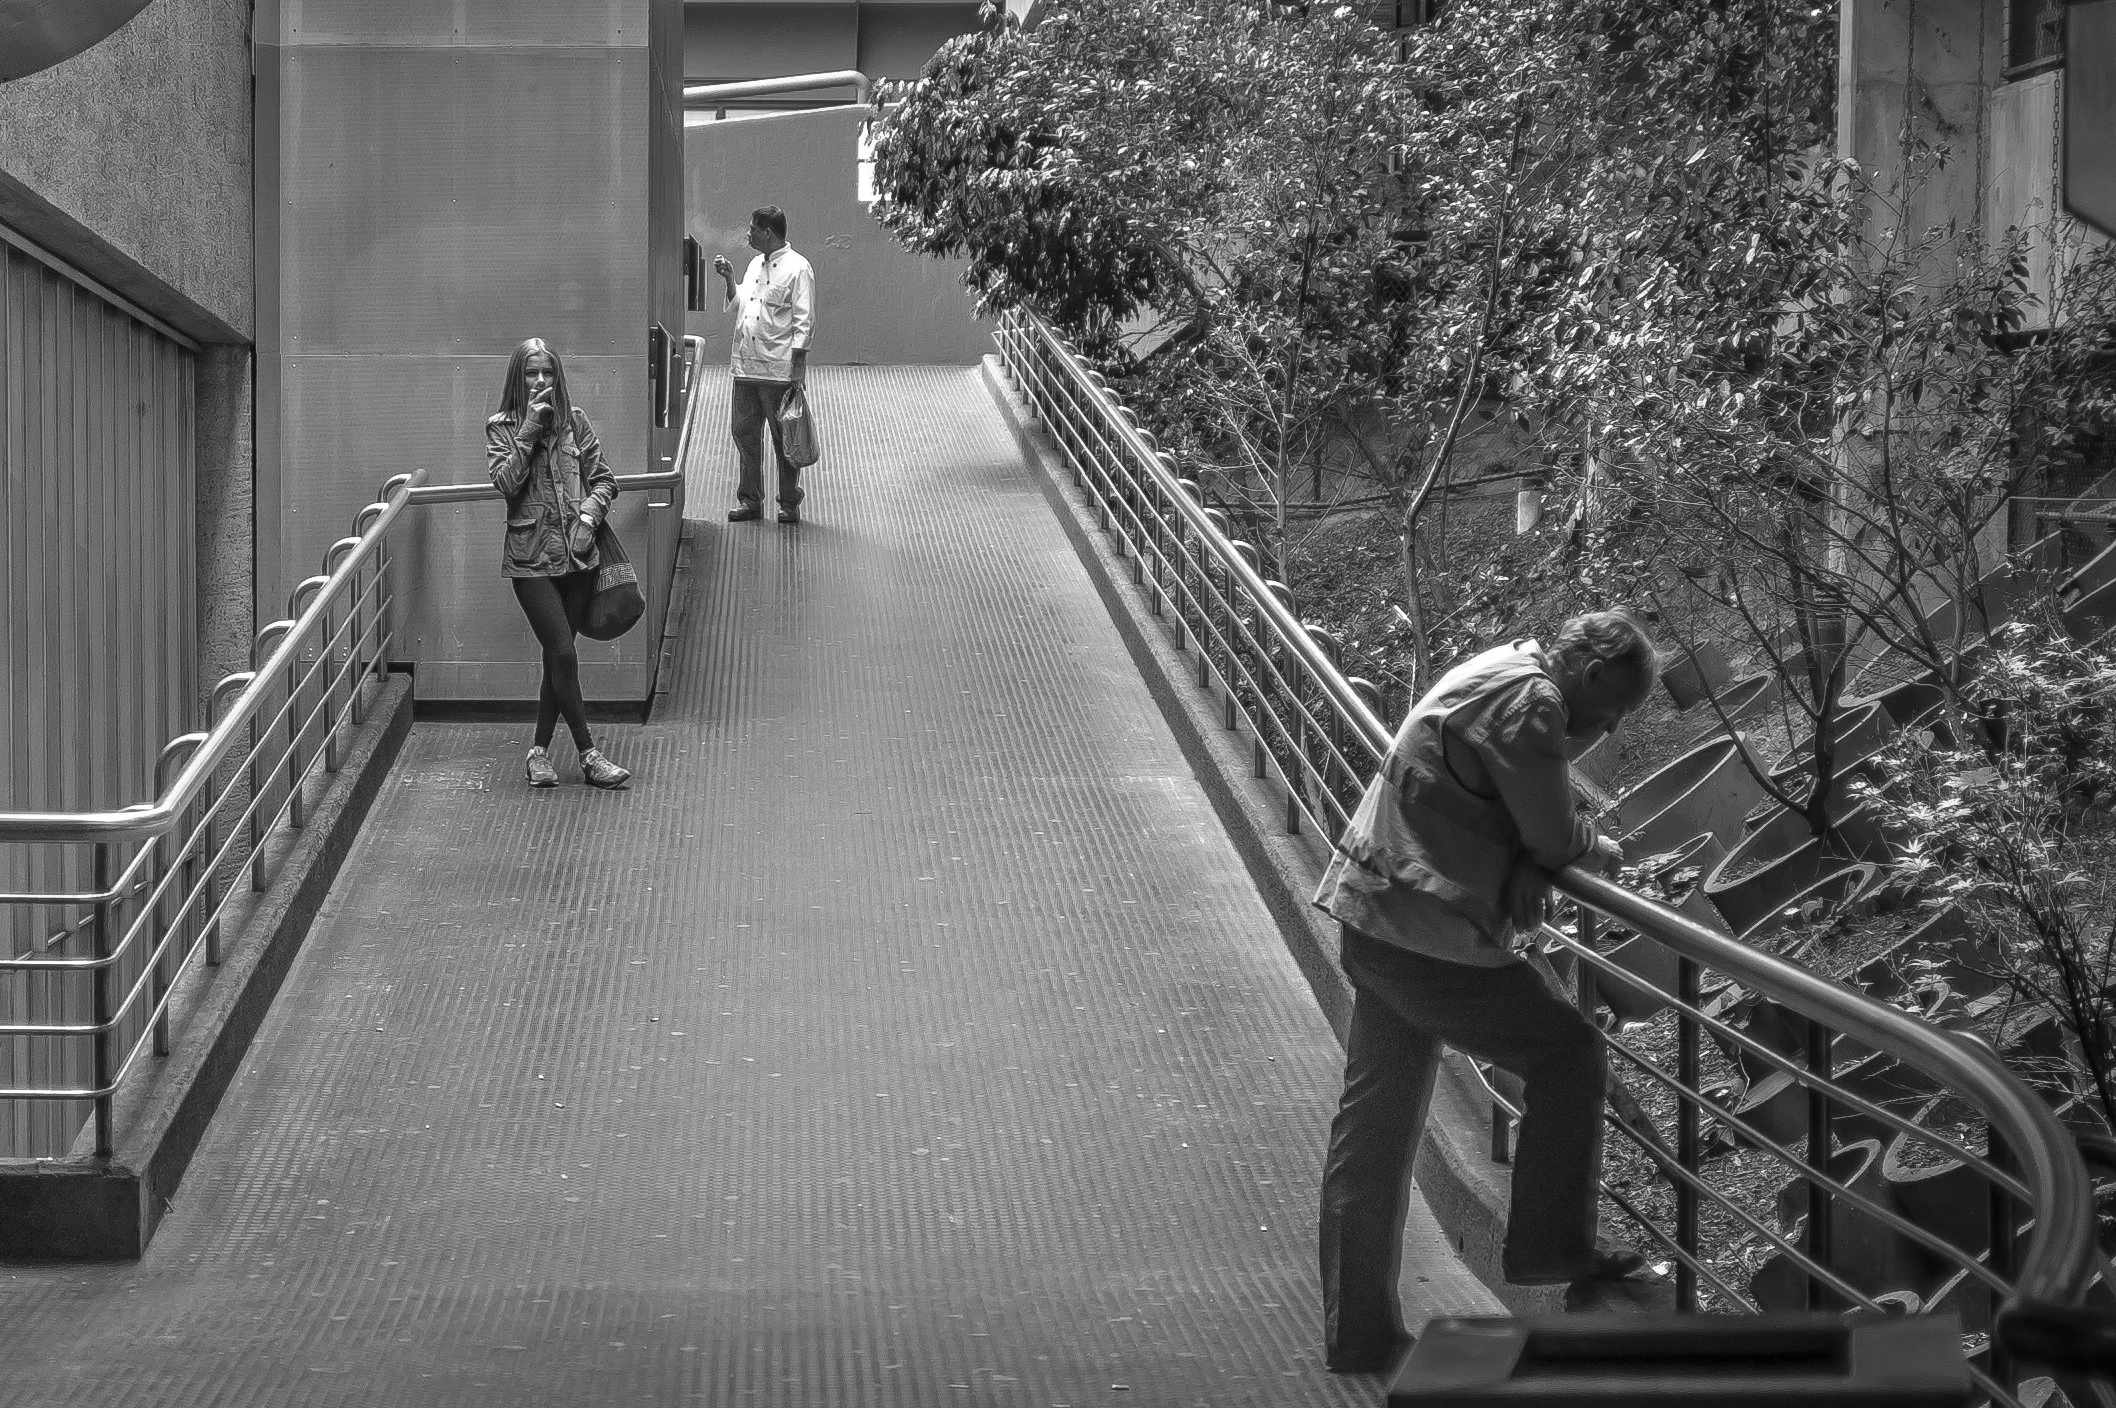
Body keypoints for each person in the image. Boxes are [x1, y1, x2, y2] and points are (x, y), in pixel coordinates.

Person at [1315, 611, 1661, 1374]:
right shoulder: (1531, 703)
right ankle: (1549, 1245)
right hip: (1428, 941)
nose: (1606, 727)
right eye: (1615, 707)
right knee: (1568, 1053)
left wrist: (1535, 857)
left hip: (1377, 916)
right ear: (1592, 669)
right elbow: (1555, 834)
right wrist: (1587, 851)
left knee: (1374, 1128)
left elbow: (1517, 816)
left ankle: (1360, 1329)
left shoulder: (1499, 668)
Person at [486, 337, 633, 791]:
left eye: (548, 372)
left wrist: (589, 514)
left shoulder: (575, 423)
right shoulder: (502, 426)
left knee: (558, 659)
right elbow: (505, 483)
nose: (541, 380)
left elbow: (605, 479)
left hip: (577, 557)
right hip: (530, 561)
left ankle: (539, 753)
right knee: (563, 653)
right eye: (532, 372)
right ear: (519, 377)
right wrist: (529, 428)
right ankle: (589, 756)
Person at [712, 205, 815, 524]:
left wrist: (797, 367)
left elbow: (805, 319)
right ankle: (750, 499)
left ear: (767, 233)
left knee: (784, 438)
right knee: (743, 433)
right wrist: (730, 279)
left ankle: (788, 501)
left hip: (777, 369)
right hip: (745, 367)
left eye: (752, 228)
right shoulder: (755, 263)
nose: (748, 233)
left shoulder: (799, 268)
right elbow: (742, 303)